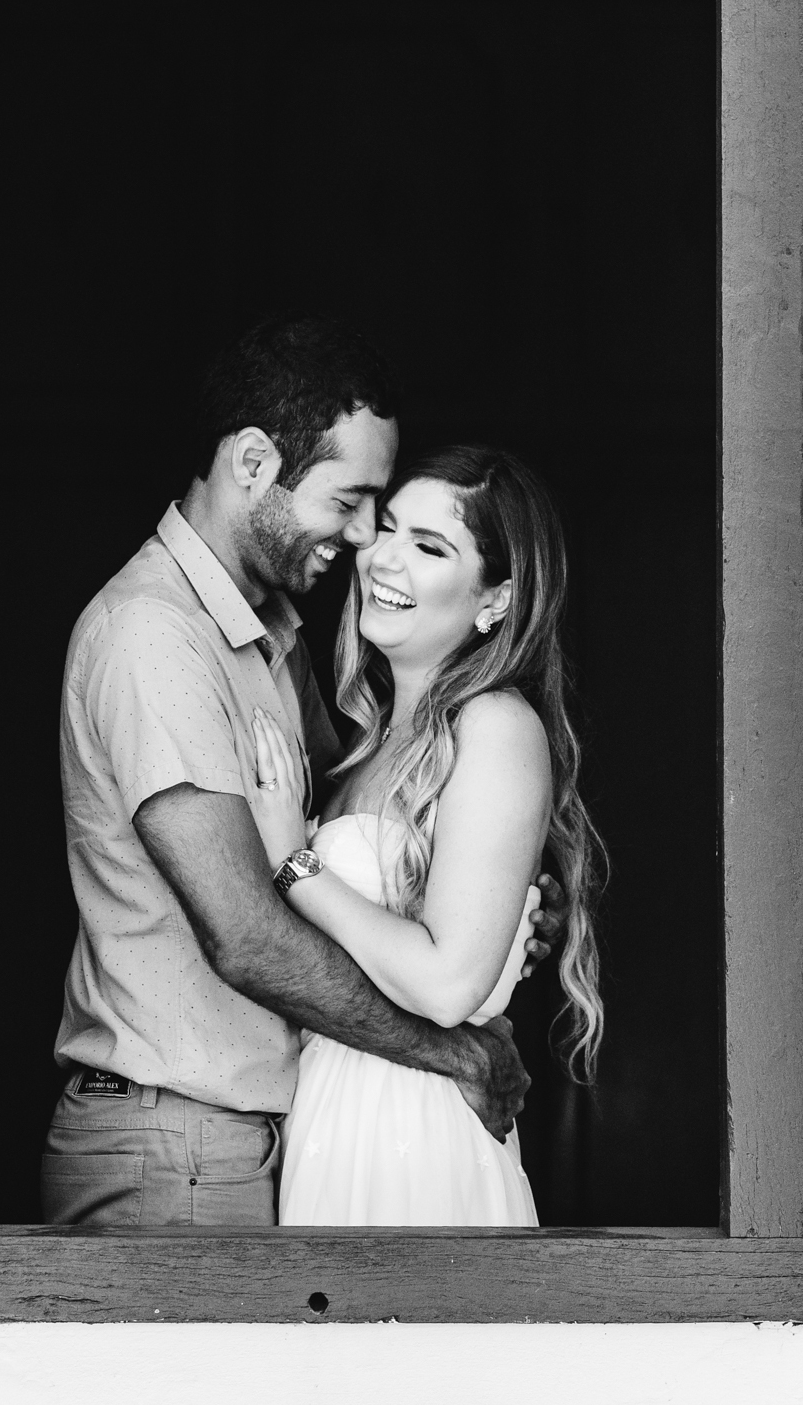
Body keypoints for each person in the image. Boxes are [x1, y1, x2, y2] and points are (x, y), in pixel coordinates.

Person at [40, 318, 566, 1229]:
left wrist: (501, 897)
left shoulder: (273, 638)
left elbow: (369, 849)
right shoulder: (155, 638)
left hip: (280, 1132)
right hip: (178, 1132)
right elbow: (248, 932)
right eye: (356, 502)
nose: (365, 538)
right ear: (253, 462)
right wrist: (453, 1051)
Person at [250, 445, 604, 1226]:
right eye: (388, 528)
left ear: (497, 599)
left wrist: (294, 865)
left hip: (416, 1138)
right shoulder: (366, 744)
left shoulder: (496, 727)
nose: (385, 557)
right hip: (330, 1124)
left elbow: (447, 984)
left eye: (431, 547)